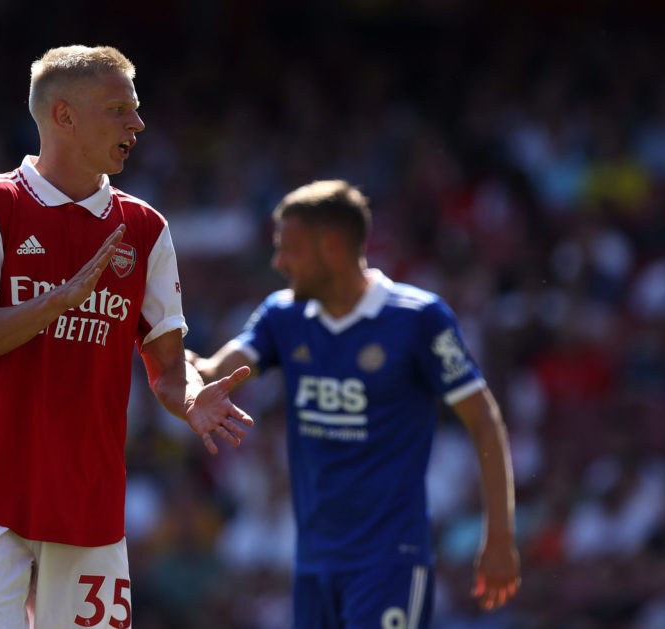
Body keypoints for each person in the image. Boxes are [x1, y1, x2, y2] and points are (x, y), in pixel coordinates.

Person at [0, 45, 253, 629]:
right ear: (64, 116)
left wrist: (190, 397)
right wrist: (56, 301)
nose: (137, 124)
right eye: (118, 109)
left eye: (135, 109)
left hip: (89, 497)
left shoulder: (146, 229)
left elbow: (167, 367)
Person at [188, 180, 520, 628]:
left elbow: (484, 421)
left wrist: (498, 537)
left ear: (331, 247)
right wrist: (166, 351)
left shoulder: (418, 318)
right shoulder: (281, 316)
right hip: (312, 562)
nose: (278, 262)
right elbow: (214, 372)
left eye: (290, 250)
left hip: (390, 560)